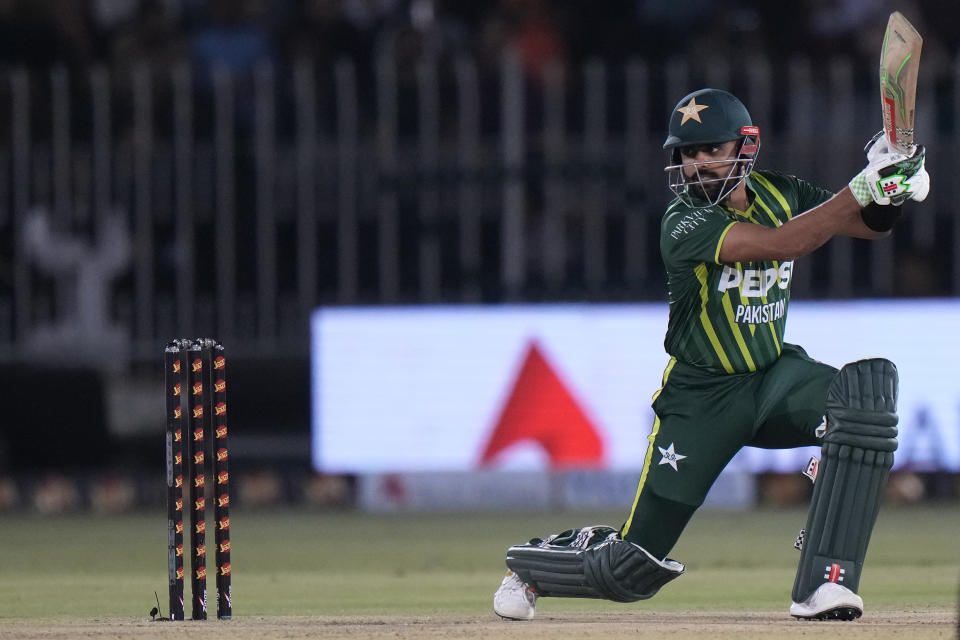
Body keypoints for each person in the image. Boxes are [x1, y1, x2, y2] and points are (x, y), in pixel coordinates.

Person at [491, 87, 929, 621]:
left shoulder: (782, 192)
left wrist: (893, 189)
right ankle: (530, 566)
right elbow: (783, 244)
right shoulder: (682, 222)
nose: (698, 163)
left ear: (746, 147)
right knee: (632, 568)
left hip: (772, 378)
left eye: (711, 149)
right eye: (688, 152)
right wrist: (863, 184)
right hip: (701, 398)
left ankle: (823, 585)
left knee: (866, 396)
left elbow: (866, 225)